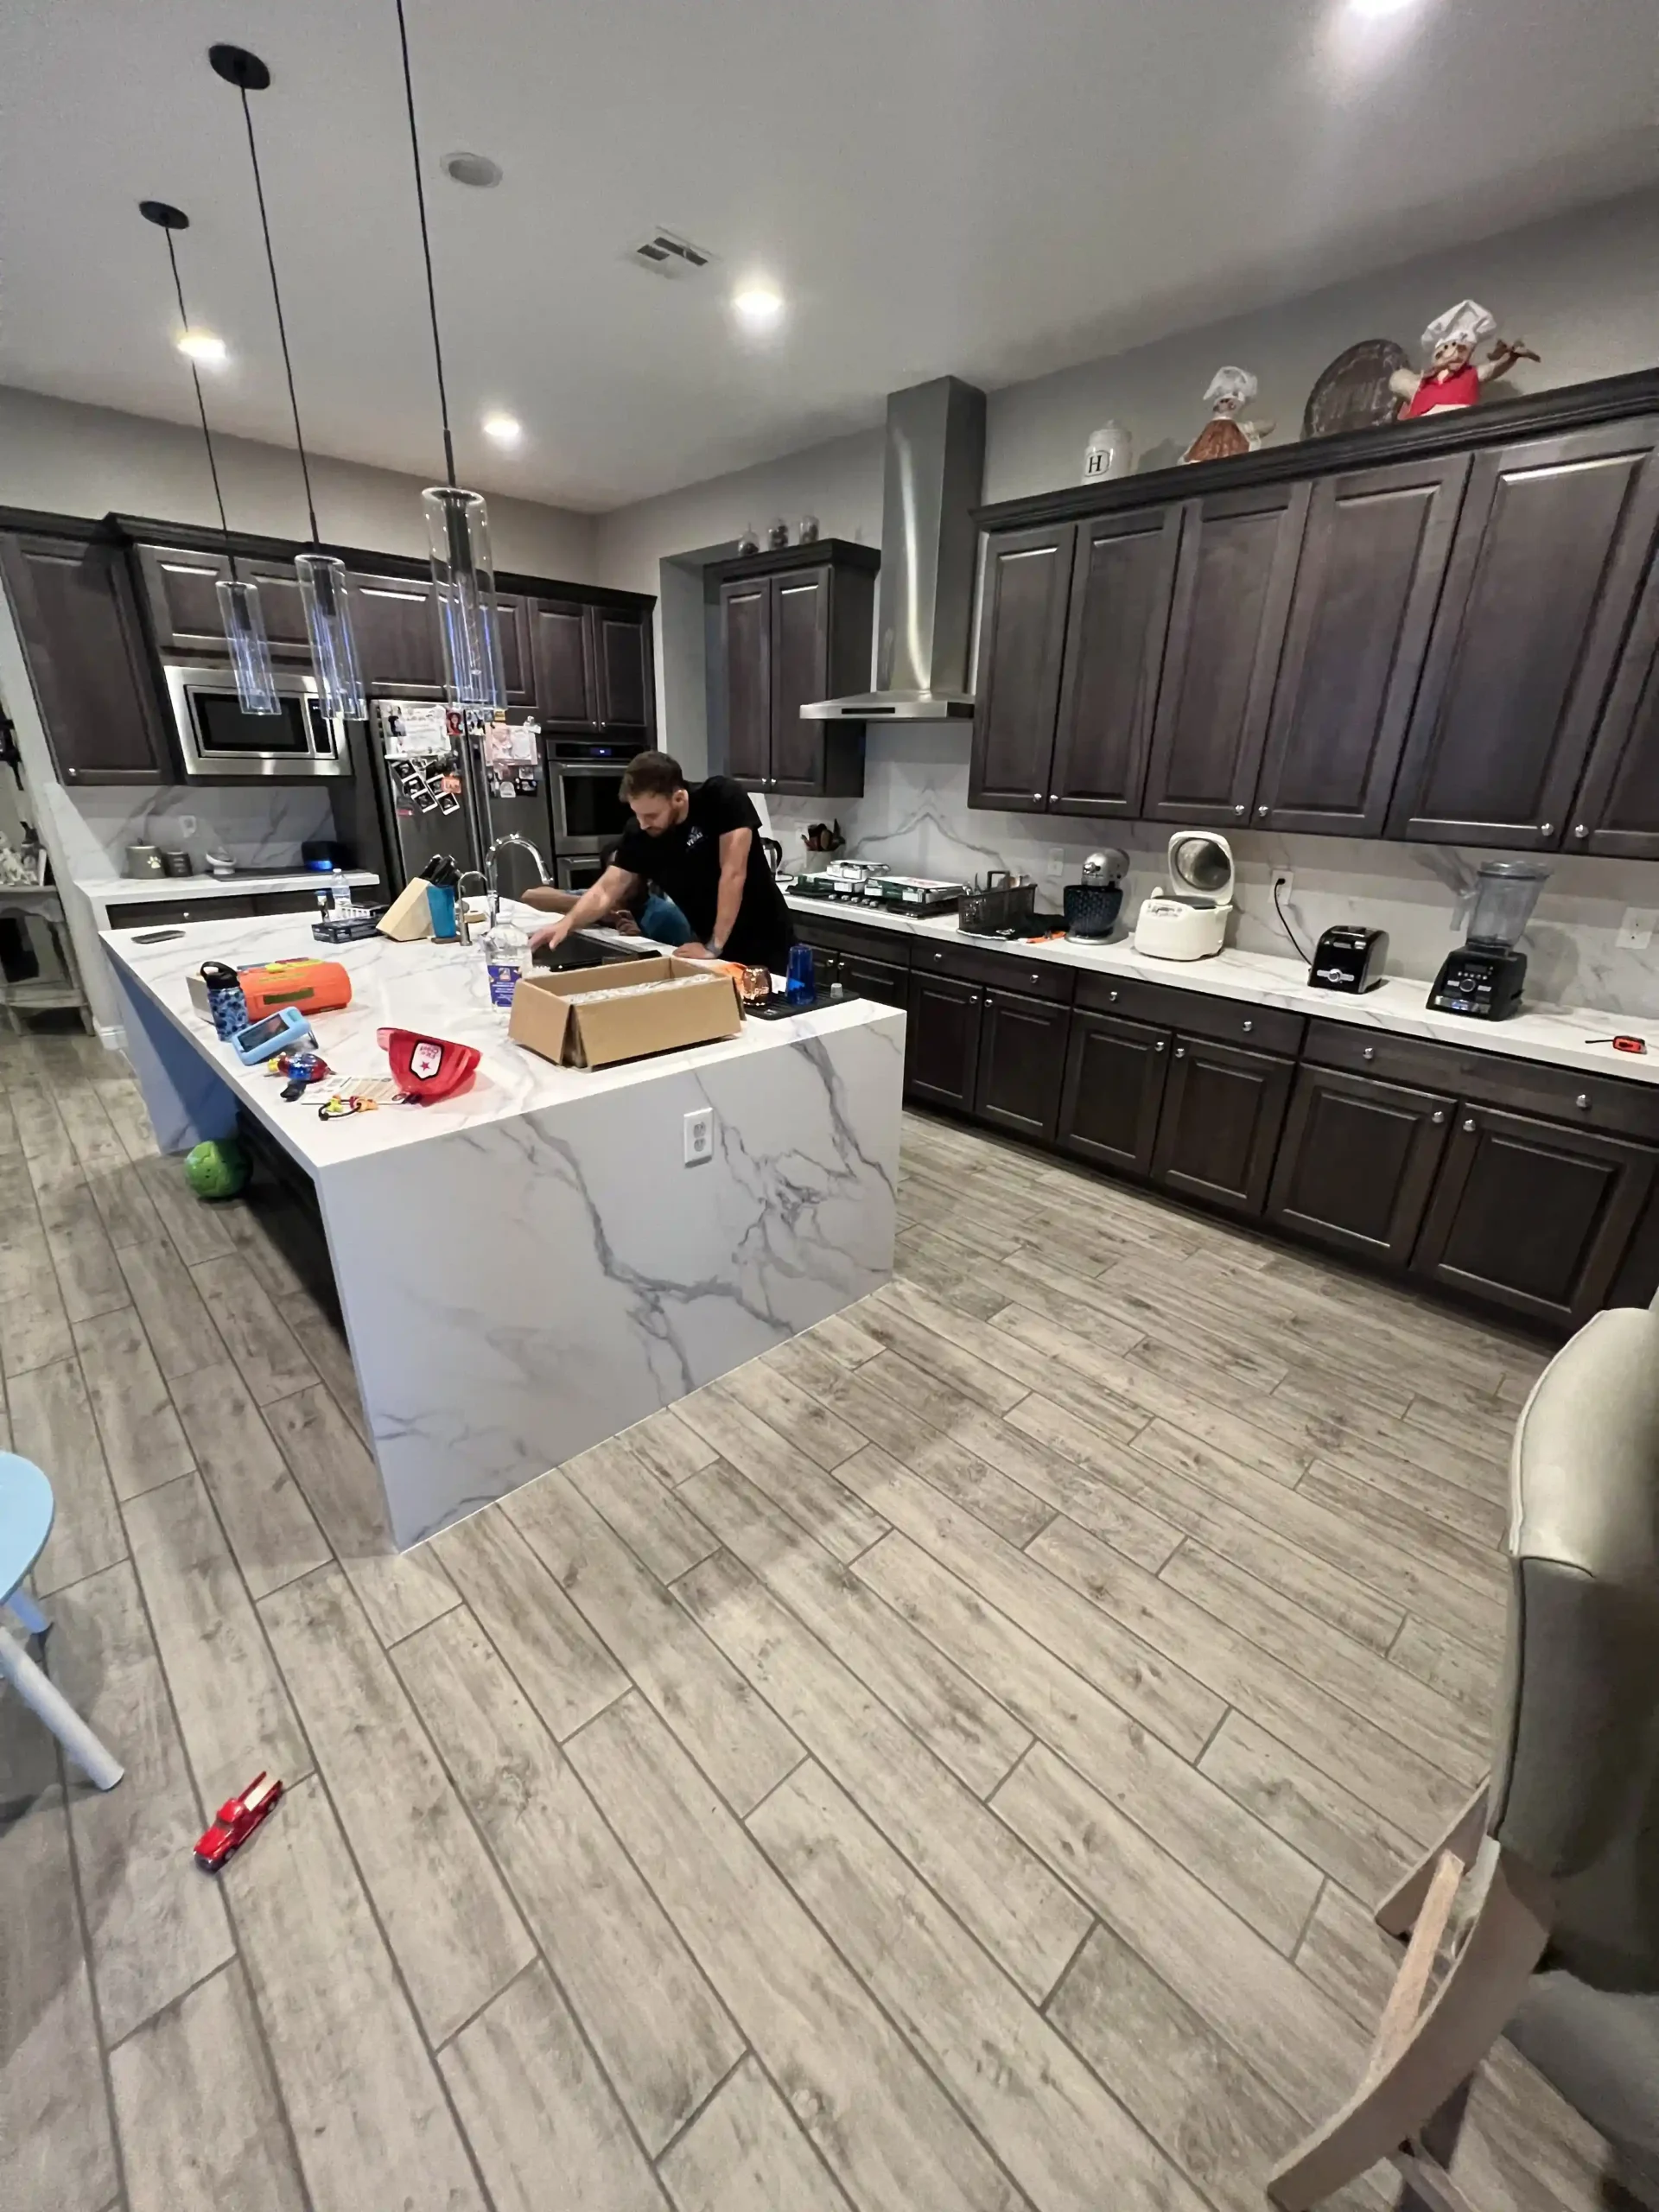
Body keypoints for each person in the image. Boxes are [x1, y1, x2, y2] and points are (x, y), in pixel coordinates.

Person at [527, 753, 795, 972]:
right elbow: (607, 889)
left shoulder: (721, 797)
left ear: (678, 798)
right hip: (713, 952)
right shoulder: (640, 833)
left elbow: (733, 874)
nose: (644, 824)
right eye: (637, 814)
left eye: (652, 815)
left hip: (769, 944)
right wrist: (565, 925)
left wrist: (715, 945)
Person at [518, 842, 694, 947]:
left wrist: (641, 939)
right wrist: (591, 910)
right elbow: (530, 897)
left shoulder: (668, 916)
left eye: (627, 876)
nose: (620, 884)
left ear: (646, 879)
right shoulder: (593, 899)